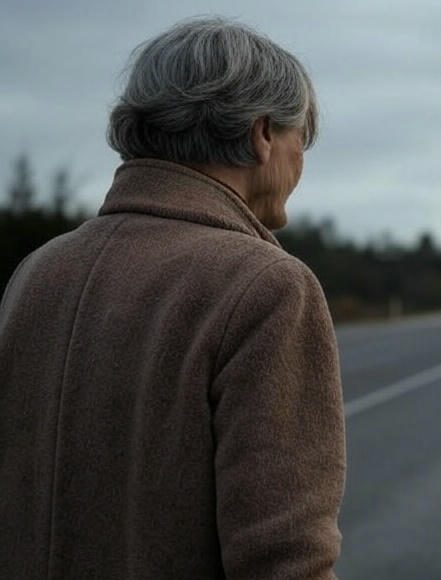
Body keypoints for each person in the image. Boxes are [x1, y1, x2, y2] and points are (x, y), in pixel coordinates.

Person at [0, 17, 345, 579]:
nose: (300, 163)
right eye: (299, 139)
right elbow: (284, 559)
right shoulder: (267, 285)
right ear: (262, 134)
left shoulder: (37, 271)